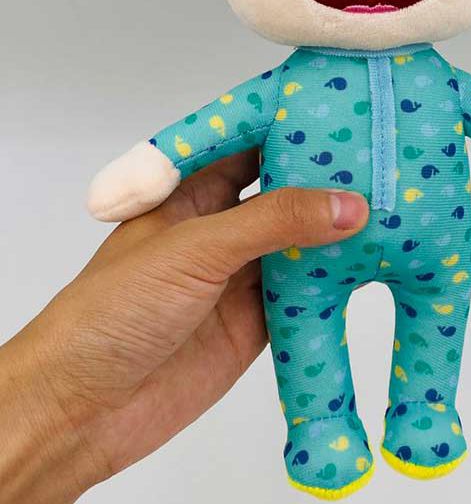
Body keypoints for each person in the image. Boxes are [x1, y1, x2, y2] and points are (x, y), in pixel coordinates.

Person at [0, 151, 369, 504]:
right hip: (306, 263)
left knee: (302, 306)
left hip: (331, 254)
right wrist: (58, 402)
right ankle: (324, 429)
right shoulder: (284, 105)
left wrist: (59, 406)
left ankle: (384, 419)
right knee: (299, 307)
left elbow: (218, 127)